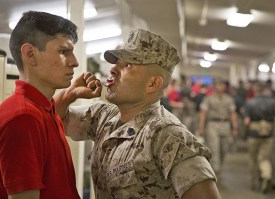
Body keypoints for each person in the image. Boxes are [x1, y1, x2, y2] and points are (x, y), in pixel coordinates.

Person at [55, 28, 221, 199]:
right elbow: (52, 120)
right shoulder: (103, 116)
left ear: (152, 84)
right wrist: (69, 94)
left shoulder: (167, 135)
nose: (113, 70)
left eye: (127, 65)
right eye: (116, 63)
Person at [0, 11, 101, 199]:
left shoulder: (41, 108)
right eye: (63, 52)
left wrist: (70, 93)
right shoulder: (23, 118)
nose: (74, 62)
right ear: (30, 54)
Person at [198, 79, 238, 178]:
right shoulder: (208, 98)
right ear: (214, 86)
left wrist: (235, 128)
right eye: (219, 84)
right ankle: (216, 172)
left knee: (224, 149)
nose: (221, 87)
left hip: (225, 124)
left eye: (223, 85)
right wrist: (201, 128)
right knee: (214, 148)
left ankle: (218, 167)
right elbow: (203, 113)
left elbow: (232, 113)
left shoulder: (229, 99)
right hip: (212, 125)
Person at [243, 82, 275, 193]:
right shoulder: (273, 102)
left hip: (253, 134)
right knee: (265, 158)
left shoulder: (249, 103)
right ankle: (266, 176)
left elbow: (246, 121)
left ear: (255, 90)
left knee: (253, 159)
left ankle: (254, 183)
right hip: (269, 134)